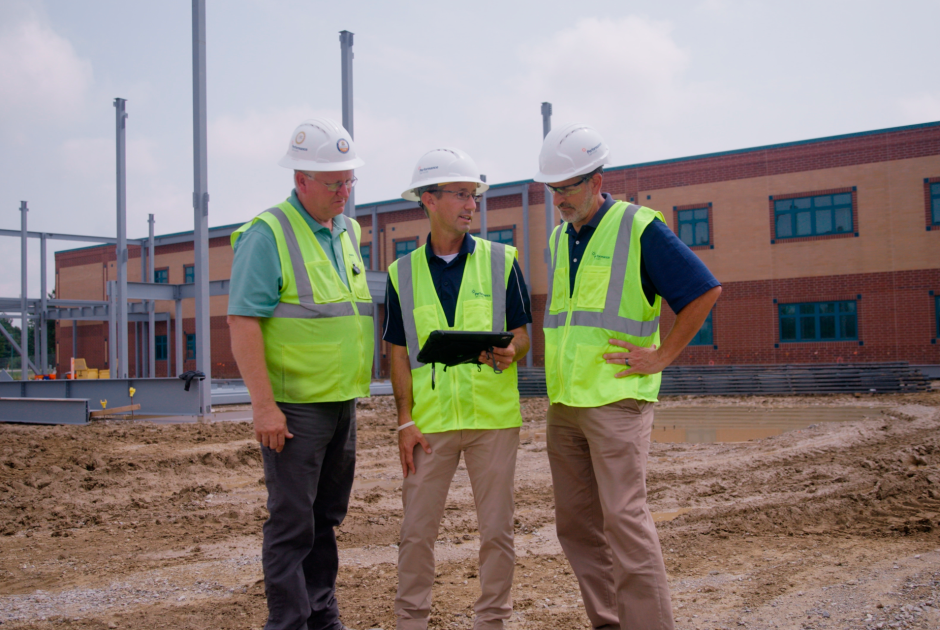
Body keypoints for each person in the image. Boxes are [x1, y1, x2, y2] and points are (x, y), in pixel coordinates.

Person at [533, 123, 722, 630]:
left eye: (567, 188)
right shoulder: (558, 239)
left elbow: (703, 290)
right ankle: (609, 622)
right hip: (565, 405)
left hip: (617, 403)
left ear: (597, 181)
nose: (559, 201)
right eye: (552, 190)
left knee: (624, 521)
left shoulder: (640, 227)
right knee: (575, 525)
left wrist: (662, 355)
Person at [227, 117, 373, 630]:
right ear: (301, 181)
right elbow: (242, 322)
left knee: (325, 519)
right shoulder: (268, 234)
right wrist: (264, 406)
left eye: (349, 180)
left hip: (341, 403)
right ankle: (288, 623)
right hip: (295, 409)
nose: (345, 192)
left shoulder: (346, 230)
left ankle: (321, 615)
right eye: (334, 183)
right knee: (291, 523)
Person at [384, 148, 533, 630]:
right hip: (429, 426)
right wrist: (405, 421)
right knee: (416, 532)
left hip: (492, 421)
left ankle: (492, 621)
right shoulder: (400, 274)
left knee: (497, 533)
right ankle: (411, 622)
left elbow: (525, 333)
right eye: (462, 195)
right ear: (429, 199)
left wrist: (512, 350)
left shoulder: (502, 261)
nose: (472, 205)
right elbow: (398, 352)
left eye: (474, 196)